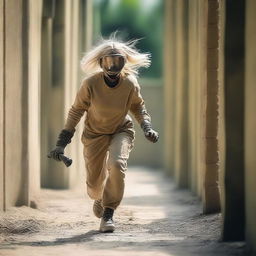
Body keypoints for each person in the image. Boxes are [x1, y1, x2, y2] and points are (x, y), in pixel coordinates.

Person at [48, 37, 159, 233]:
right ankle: (99, 198)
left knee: (117, 165)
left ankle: (108, 213)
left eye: (118, 61)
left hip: (121, 130)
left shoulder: (130, 83)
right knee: (94, 186)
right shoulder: (90, 83)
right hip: (94, 134)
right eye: (109, 61)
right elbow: (76, 111)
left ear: (124, 62)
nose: (114, 66)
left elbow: (138, 107)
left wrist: (147, 127)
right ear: (101, 63)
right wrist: (61, 143)